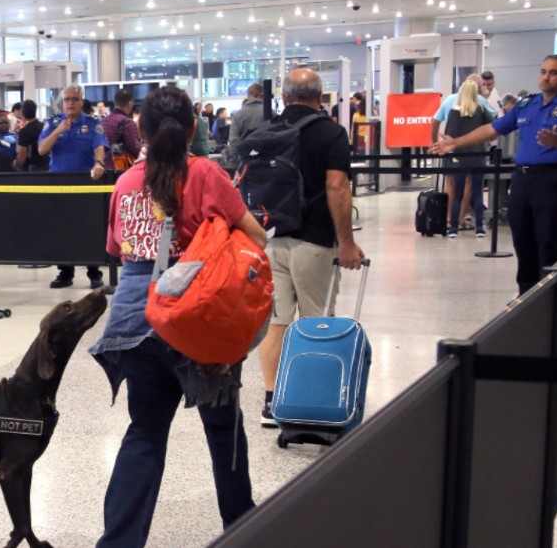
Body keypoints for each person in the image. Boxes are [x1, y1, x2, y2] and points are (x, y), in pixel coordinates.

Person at [89, 86, 267, 548]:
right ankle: (241, 529)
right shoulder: (206, 173)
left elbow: (117, 250)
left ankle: (118, 543)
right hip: (196, 321)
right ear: (193, 128)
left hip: (134, 323)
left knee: (145, 432)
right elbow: (257, 238)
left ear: (141, 130)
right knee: (223, 429)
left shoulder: (126, 182)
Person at [255, 68, 364, 427]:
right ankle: (310, 397)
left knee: (278, 322)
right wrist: (346, 242)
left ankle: (272, 402)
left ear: (284, 98)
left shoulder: (267, 131)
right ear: (321, 97)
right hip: (314, 242)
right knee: (317, 322)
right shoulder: (331, 133)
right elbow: (337, 187)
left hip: (270, 239)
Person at [431, 55, 557, 295]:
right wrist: (456, 142)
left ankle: (549, 295)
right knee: (521, 235)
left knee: (547, 237)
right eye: (543, 71)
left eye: (553, 72)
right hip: (522, 178)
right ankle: (526, 293)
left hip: (551, 178)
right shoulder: (527, 104)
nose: (546, 77)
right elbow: (491, 128)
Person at [38, 84, 109, 288]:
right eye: (67, 99)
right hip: (58, 183)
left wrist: (99, 163)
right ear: (62, 102)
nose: (70, 102)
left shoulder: (93, 123)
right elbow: (42, 149)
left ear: (81, 102)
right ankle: (65, 272)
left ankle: (94, 271)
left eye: (74, 99)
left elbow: (99, 147)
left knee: (89, 227)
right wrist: (59, 130)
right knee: (62, 228)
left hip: (85, 182)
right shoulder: (52, 123)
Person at [431, 74, 499, 231]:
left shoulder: (451, 104)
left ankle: (449, 219)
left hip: (454, 152)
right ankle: (461, 219)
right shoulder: (481, 104)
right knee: (470, 185)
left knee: (451, 184)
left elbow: (438, 124)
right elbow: (494, 126)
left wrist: (435, 142)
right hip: (476, 152)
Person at [442, 80, 493, 239]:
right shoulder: (481, 110)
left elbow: (450, 135)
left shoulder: (454, 112)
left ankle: (453, 229)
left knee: (457, 193)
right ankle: (479, 228)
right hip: (478, 156)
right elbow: (492, 128)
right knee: (477, 193)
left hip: (459, 156)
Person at [101, 87, 142, 172]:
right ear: (130, 103)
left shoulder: (102, 121)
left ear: (114, 102)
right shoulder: (128, 123)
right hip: (121, 169)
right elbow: (135, 149)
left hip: (104, 169)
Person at [227, 82, 265, 166]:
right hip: (266, 162)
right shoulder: (271, 113)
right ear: (262, 95)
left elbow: (234, 140)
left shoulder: (238, 115)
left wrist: (234, 161)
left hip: (245, 162)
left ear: (248, 96)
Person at [14, 99, 48, 171]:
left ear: (22, 113)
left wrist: (16, 163)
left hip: (32, 170)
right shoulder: (44, 126)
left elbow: (22, 155)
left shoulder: (24, 131)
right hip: (46, 165)